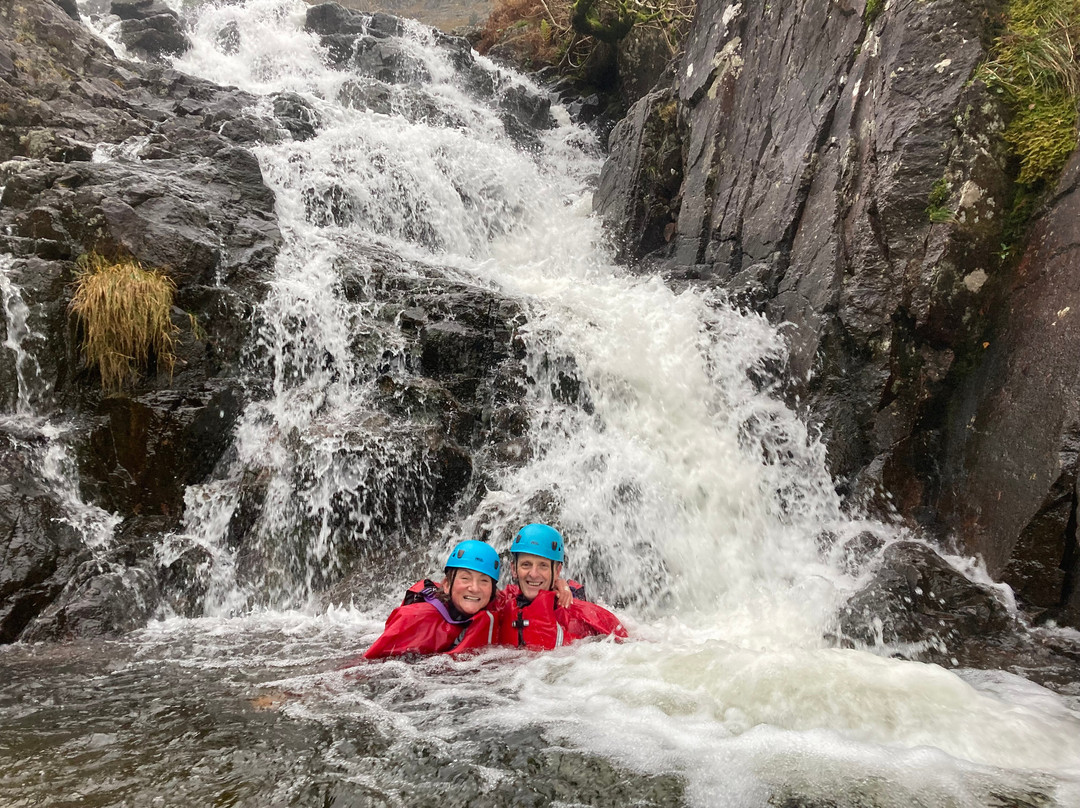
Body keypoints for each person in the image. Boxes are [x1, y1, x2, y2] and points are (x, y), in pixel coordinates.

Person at [496, 523, 628, 650]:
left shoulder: (582, 616)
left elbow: (631, 648)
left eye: (543, 565)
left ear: (557, 571)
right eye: (526, 564)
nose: (534, 574)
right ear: (513, 569)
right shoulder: (501, 605)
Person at [363, 539, 501, 659]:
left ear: (492, 591)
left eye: (484, 581)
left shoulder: (498, 608)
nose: (474, 588)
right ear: (446, 585)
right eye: (465, 578)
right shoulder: (415, 620)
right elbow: (370, 664)